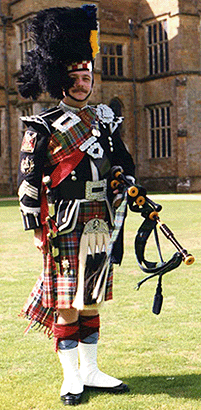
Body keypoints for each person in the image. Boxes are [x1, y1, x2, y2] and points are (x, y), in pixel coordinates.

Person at [17, 5, 135, 406]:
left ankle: (91, 370)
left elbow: (122, 161)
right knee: (67, 303)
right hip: (66, 223)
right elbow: (28, 182)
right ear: (61, 80)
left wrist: (126, 183)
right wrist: (36, 228)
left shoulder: (103, 121)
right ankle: (71, 380)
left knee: (91, 297)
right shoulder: (43, 126)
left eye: (88, 77)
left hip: (100, 221)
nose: (84, 84)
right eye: (76, 77)